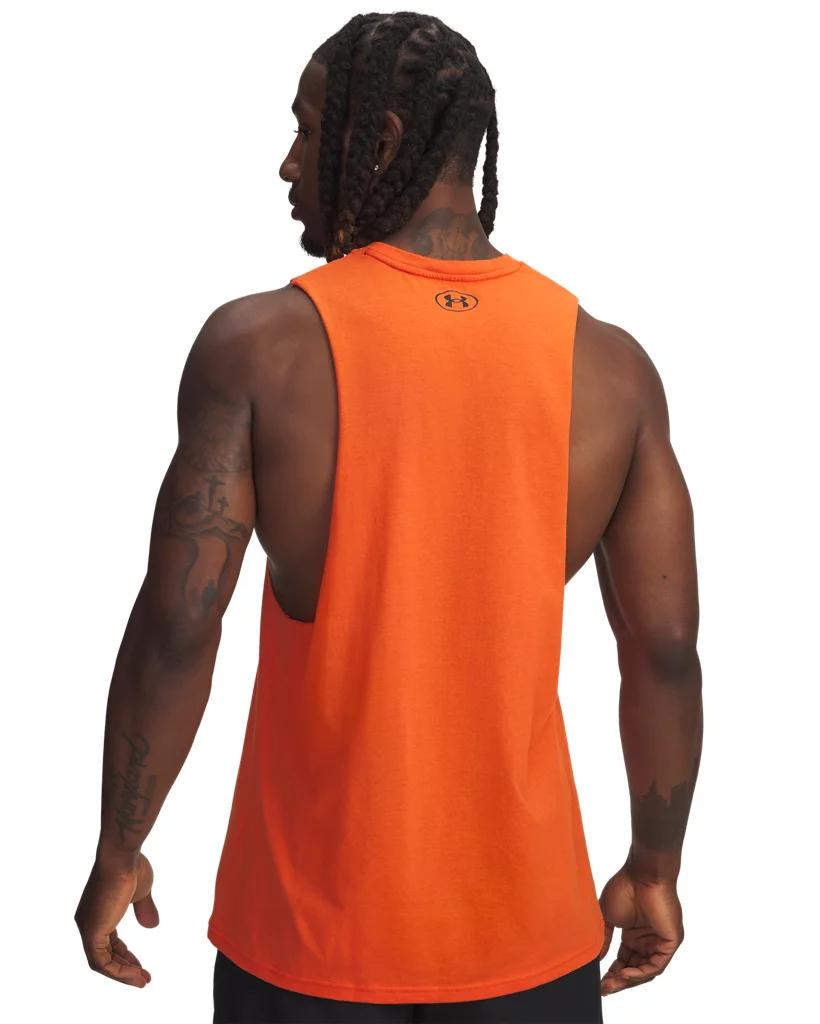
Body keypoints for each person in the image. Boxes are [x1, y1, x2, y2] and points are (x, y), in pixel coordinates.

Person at [73, 11, 703, 1024]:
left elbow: (181, 623)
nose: (288, 164)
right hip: (530, 944)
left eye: (307, 129)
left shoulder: (260, 347)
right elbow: (664, 649)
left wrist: (119, 846)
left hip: (307, 943)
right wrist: (655, 866)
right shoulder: (610, 367)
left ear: (386, 137)